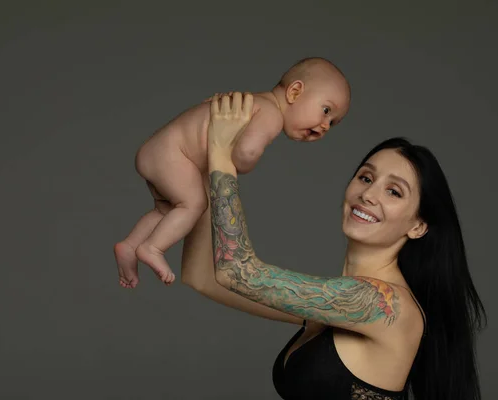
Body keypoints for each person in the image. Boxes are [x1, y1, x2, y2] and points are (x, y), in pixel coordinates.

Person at [181, 92, 487, 399]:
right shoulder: (330, 306)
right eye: (366, 178)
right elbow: (203, 277)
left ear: (418, 226)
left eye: (394, 192)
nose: (369, 195)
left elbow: (237, 272)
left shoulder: (384, 305)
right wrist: (201, 171)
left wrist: (221, 151)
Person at [114, 57, 351, 288]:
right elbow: (246, 153)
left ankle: (130, 245)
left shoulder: (253, 102)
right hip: (173, 154)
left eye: (333, 123)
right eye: (326, 110)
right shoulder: (271, 114)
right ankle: (152, 248)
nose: (324, 126)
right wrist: (239, 166)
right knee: (194, 204)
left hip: (160, 150)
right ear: (295, 92)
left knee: (167, 210)